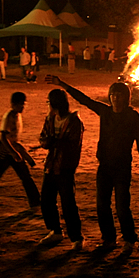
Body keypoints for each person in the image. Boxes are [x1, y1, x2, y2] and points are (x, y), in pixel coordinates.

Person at [45, 75, 139, 253]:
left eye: (119, 95)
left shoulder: (132, 116)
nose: (115, 98)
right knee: (102, 205)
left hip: (122, 166)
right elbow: (84, 99)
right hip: (105, 166)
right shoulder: (105, 112)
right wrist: (62, 84)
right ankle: (109, 239)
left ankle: (129, 240)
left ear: (126, 97)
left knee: (122, 206)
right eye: (113, 94)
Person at [38, 88, 85, 250]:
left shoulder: (74, 121)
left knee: (68, 202)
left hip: (65, 166)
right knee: (46, 199)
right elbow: (43, 137)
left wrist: (55, 142)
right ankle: (55, 230)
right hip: (51, 165)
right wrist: (48, 142)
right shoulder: (50, 119)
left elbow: (73, 144)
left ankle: (76, 237)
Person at [0, 92, 41, 209]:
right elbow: (3, 138)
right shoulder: (8, 116)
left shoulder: (17, 116)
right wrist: (15, 153)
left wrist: (26, 157)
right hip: (5, 152)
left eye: (23, 105)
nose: (22, 107)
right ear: (13, 104)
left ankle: (36, 201)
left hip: (13, 150)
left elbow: (14, 140)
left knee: (25, 176)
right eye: (20, 105)